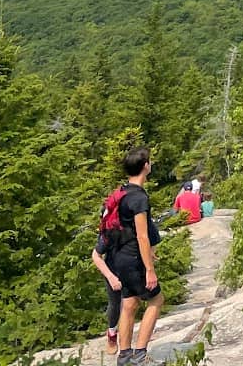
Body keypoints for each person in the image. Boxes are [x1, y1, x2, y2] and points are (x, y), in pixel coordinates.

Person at [110, 147, 165, 365]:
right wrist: (149, 269)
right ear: (145, 166)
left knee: (130, 303)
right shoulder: (139, 198)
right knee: (156, 299)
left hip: (119, 257)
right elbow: (142, 236)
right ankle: (140, 354)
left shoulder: (121, 192)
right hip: (134, 258)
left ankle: (124, 355)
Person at [92, 221, 123, 353]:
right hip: (113, 270)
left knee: (131, 303)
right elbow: (96, 255)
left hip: (132, 268)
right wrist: (110, 277)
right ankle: (112, 332)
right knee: (115, 304)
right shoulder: (111, 230)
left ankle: (128, 337)